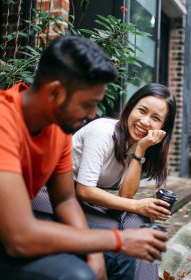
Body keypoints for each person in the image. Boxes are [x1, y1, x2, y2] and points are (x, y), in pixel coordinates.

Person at [0, 36, 167, 280]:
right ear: (55, 92)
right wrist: (116, 239)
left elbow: (66, 200)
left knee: (121, 258)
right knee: (75, 275)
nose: (93, 114)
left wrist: (95, 251)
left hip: (12, 224)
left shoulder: (58, 129)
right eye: (88, 104)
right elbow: (19, 237)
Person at [33, 83, 176, 280]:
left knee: (139, 222)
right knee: (123, 231)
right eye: (142, 110)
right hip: (50, 197)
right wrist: (138, 205)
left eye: (156, 118)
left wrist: (140, 150)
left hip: (76, 201)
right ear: (130, 108)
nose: (145, 121)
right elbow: (85, 190)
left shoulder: (135, 143)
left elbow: (126, 195)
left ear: (163, 128)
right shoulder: (102, 131)